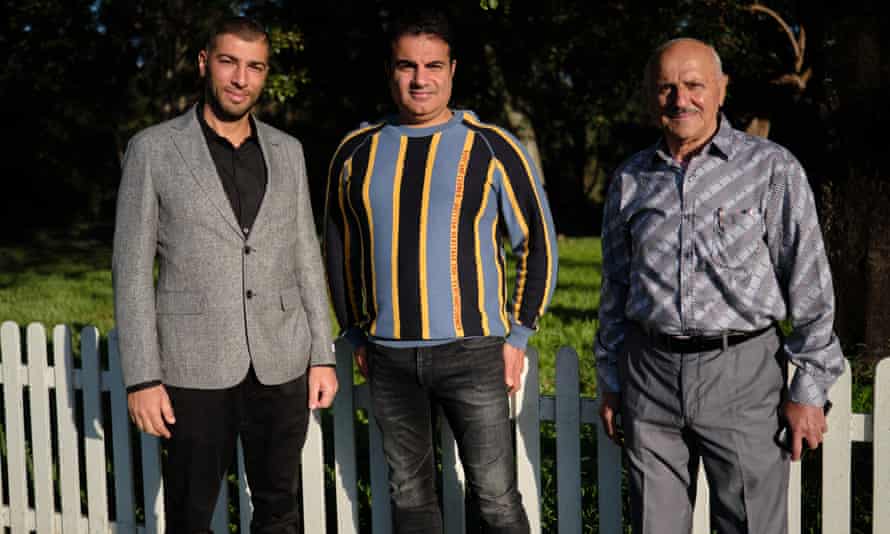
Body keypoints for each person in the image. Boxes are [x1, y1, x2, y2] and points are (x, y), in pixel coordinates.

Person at [595, 38, 845, 534]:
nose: (680, 99)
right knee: (654, 525)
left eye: (694, 85)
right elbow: (616, 288)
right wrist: (612, 376)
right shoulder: (631, 179)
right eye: (666, 87)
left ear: (721, 89)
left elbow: (810, 282)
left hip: (743, 372)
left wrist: (810, 387)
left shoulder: (770, 168)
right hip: (650, 374)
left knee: (749, 523)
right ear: (650, 95)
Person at [323, 8, 557, 534]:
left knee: (495, 498)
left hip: (473, 351)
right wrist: (354, 328)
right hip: (388, 355)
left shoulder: (491, 146)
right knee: (408, 496)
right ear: (390, 71)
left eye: (432, 65)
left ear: (453, 69)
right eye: (407, 65)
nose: (420, 78)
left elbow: (537, 242)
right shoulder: (354, 152)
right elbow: (338, 245)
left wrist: (518, 333)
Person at [112, 16, 337, 533]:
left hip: (281, 362)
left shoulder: (288, 151)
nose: (241, 78)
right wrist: (143, 377)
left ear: (265, 74)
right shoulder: (153, 150)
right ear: (204, 63)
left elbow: (306, 253)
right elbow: (129, 269)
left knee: (281, 509)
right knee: (191, 514)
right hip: (194, 363)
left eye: (255, 66)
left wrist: (322, 356)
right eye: (229, 62)